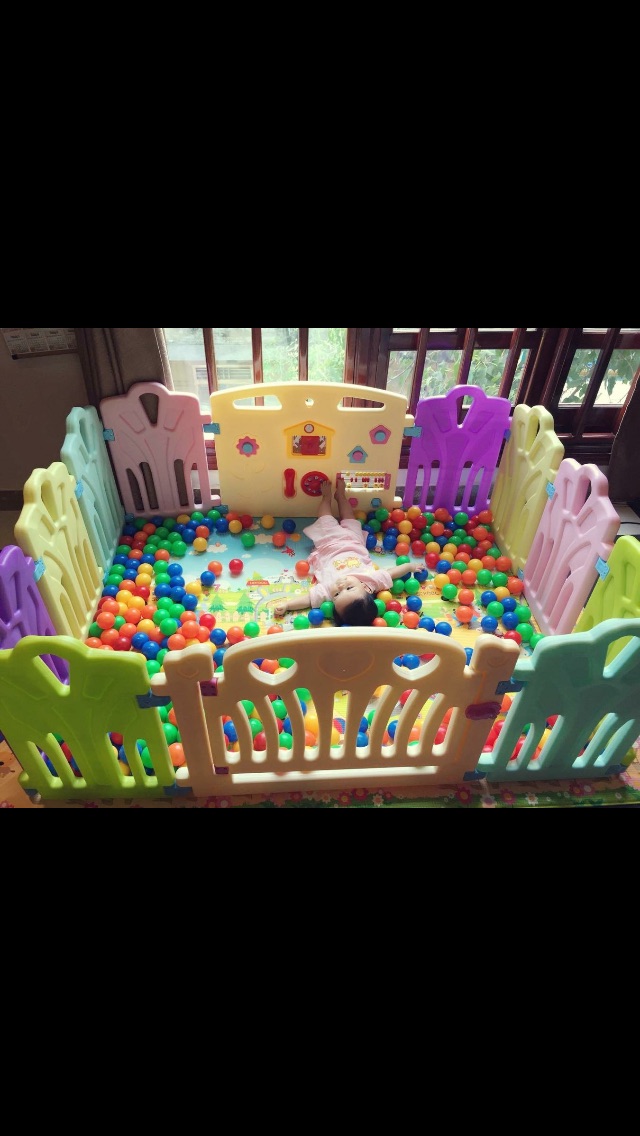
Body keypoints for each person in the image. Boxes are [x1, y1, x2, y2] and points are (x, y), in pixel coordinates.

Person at [273, 479, 425, 626]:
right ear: (365, 588)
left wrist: (287, 605)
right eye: (349, 588)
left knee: (325, 519)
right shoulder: (370, 581)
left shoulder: (327, 590)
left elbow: (308, 599)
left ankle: (326, 497)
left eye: (337, 595)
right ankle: (341, 496)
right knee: (349, 518)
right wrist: (410, 567)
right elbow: (392, 573)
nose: (340, 586)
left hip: (329, 543)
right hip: (354, 541)